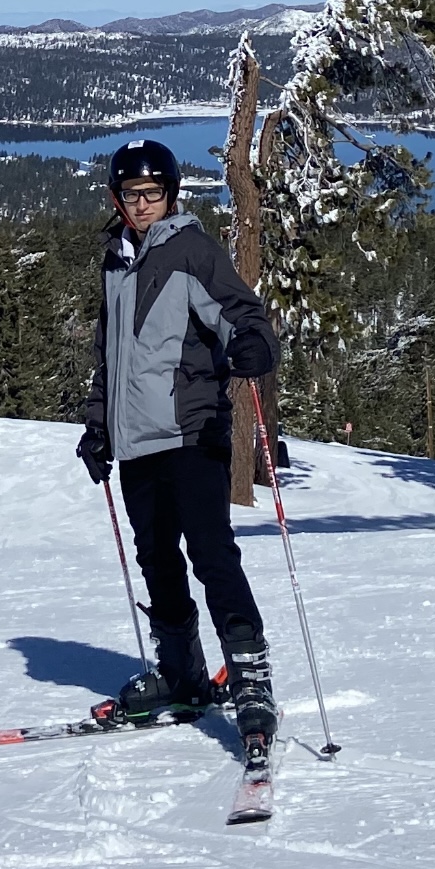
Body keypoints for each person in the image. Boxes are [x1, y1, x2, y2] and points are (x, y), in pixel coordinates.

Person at [77, 138, 280, 752]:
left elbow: (245, 315)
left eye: (153, 194)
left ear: (171, 195)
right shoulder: (115, 261)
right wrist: (97, 425)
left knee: (212, 556)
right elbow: (108, 357)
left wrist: (253, 345)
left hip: (192, 433)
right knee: (157, 560)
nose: (142, 206)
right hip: (137, 442)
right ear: (118, 197)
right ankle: (184, 675)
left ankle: (251, 681)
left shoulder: (190, 249)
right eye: (132, 195)